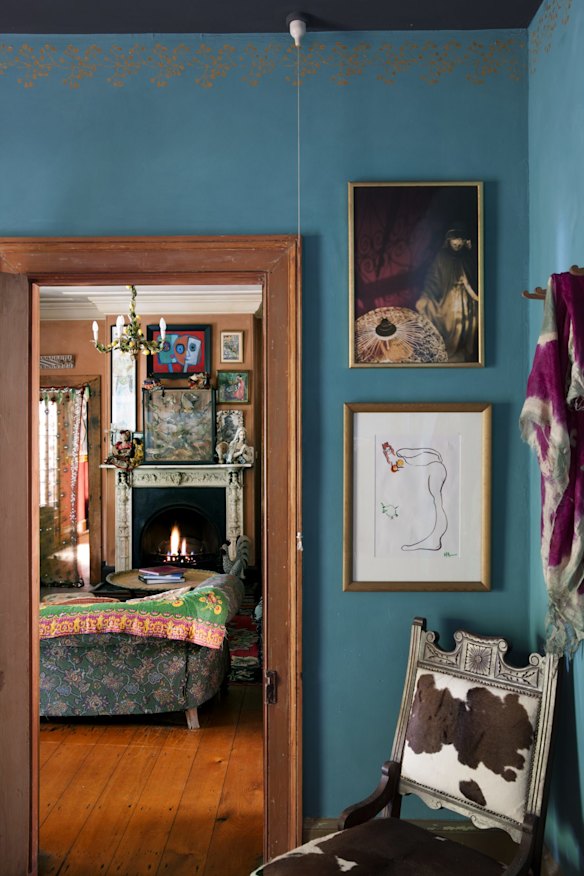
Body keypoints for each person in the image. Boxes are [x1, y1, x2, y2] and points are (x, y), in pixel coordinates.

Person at [416, 224, 479, 362]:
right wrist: (426, 296)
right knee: (451, 326)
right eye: (454, 239)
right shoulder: (441, 257)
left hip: (468, 299)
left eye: (461, 239)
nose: (457, 242)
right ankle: (451, 353)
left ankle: (464, 353)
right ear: (448, 240)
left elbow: (476, 277)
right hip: (449, 300)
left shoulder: (469, 257)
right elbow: (433, 278)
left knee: (468, 327)